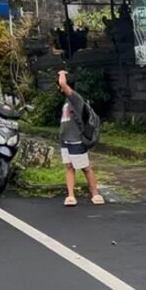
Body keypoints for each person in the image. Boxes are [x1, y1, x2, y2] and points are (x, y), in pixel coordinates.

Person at [56, 70, 104, 207]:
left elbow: (63, 83)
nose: (58, 88)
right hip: (65, 139)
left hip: (76, 139)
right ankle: (71, 195)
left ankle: (95, 192)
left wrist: (61, 73)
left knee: (85, 167)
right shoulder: (66, 102)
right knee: (69, 167)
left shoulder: (76, 98)